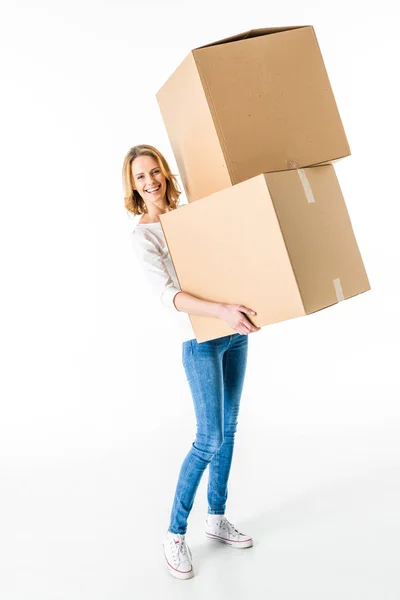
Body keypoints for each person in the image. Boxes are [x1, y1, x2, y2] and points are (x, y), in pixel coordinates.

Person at [122, 144, 260, 580]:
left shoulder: (190, 216)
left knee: (230, 428)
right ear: (133, 187)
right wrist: (218, 312)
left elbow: (223, 259)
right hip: (199, 340)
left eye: (154, 171)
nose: (150, 181)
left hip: (233, 333)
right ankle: (174, 533)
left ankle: (216, 517)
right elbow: (169, 295)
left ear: (165, 172)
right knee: (209, 437)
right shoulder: (143, 235)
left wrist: (248, 307)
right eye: (140, 177)